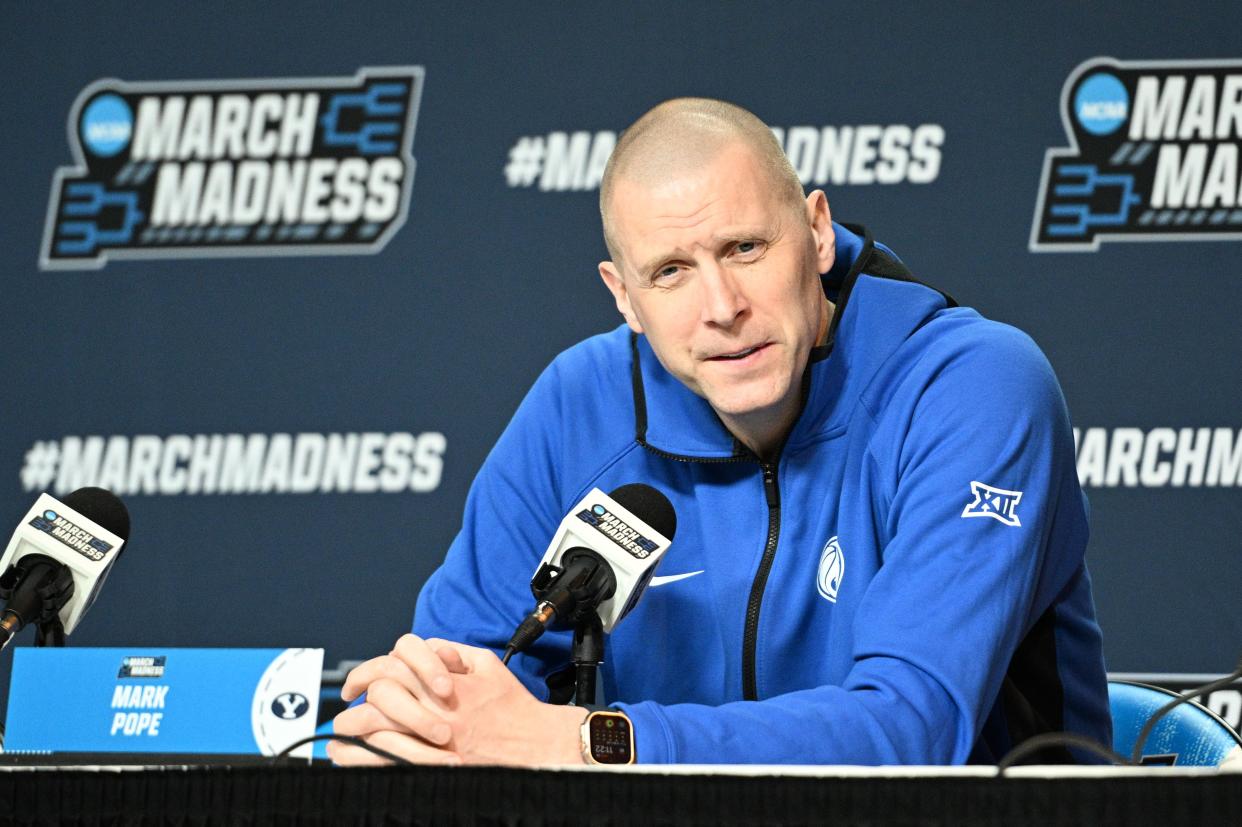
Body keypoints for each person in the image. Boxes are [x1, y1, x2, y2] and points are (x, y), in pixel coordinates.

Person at [327, 98, 1111, 766]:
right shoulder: (579, 406)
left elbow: (911, 729)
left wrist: (588, 741)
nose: (722, 306)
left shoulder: (970, 385)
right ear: (624, 296)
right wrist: (413, 719)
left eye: (745, 247)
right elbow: (459, 695)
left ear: (816, 231)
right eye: (670, 271)